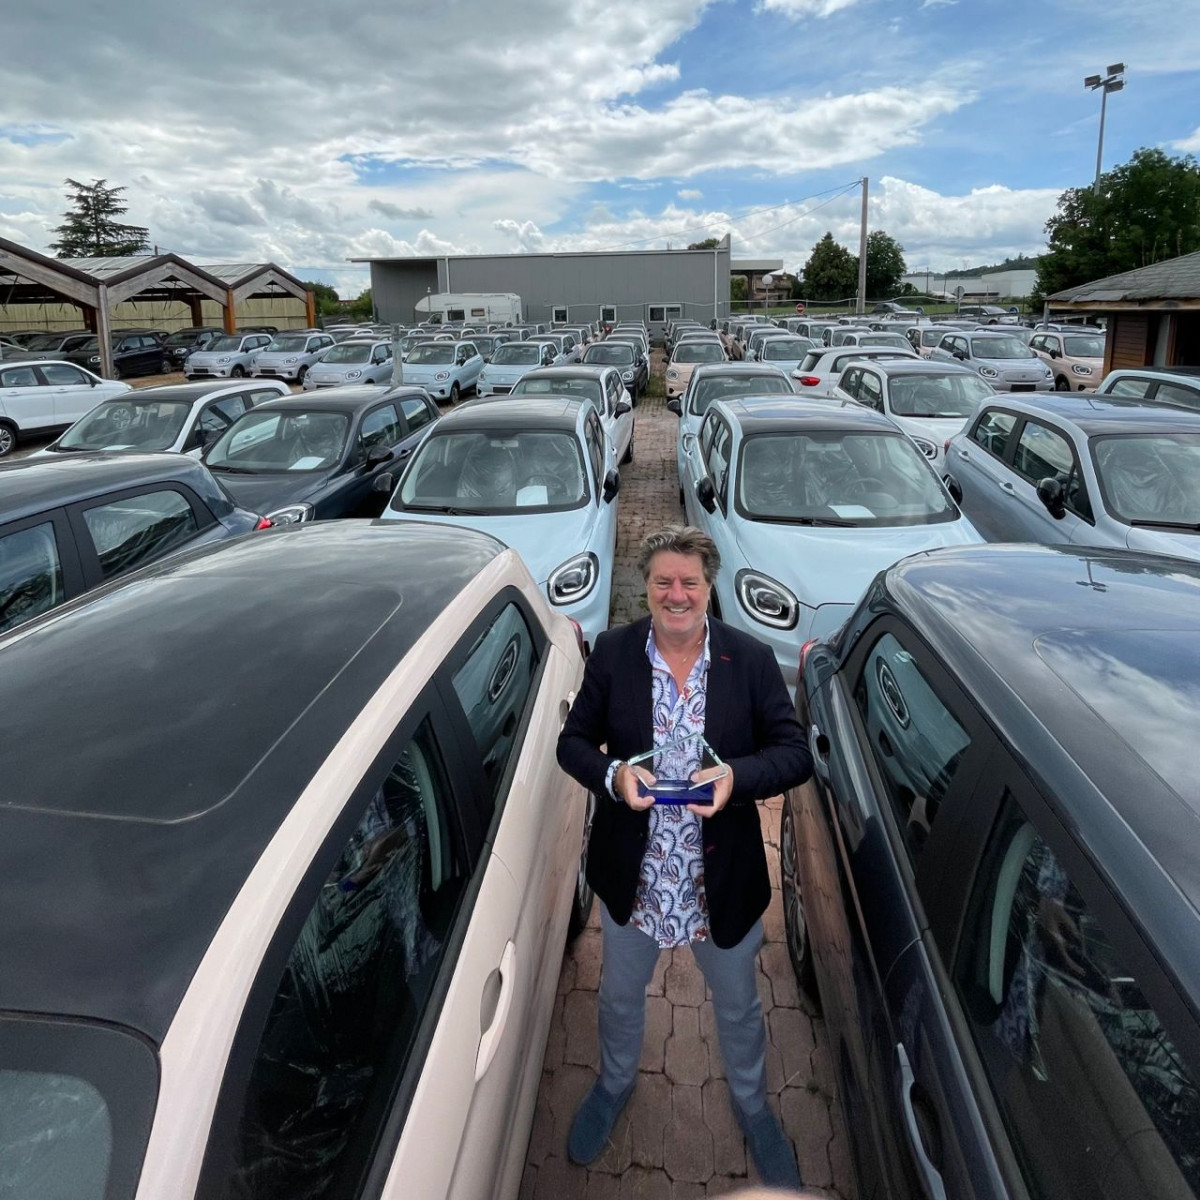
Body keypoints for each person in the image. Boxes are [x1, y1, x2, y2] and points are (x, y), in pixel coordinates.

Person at [556, 525, 811, 1189]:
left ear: (708, 585)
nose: (677, 595)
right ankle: (614, 1084)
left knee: (739, 1007)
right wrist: (614, 777)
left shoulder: (749, 661)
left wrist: (736, 780)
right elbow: (572, 744)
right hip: (634, 881)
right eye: (663, 581)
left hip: (718, 883)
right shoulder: (613, 654)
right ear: (646, 586)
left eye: (689, 582)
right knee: (618, 998)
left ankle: (754, 1107)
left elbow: (793, 754)